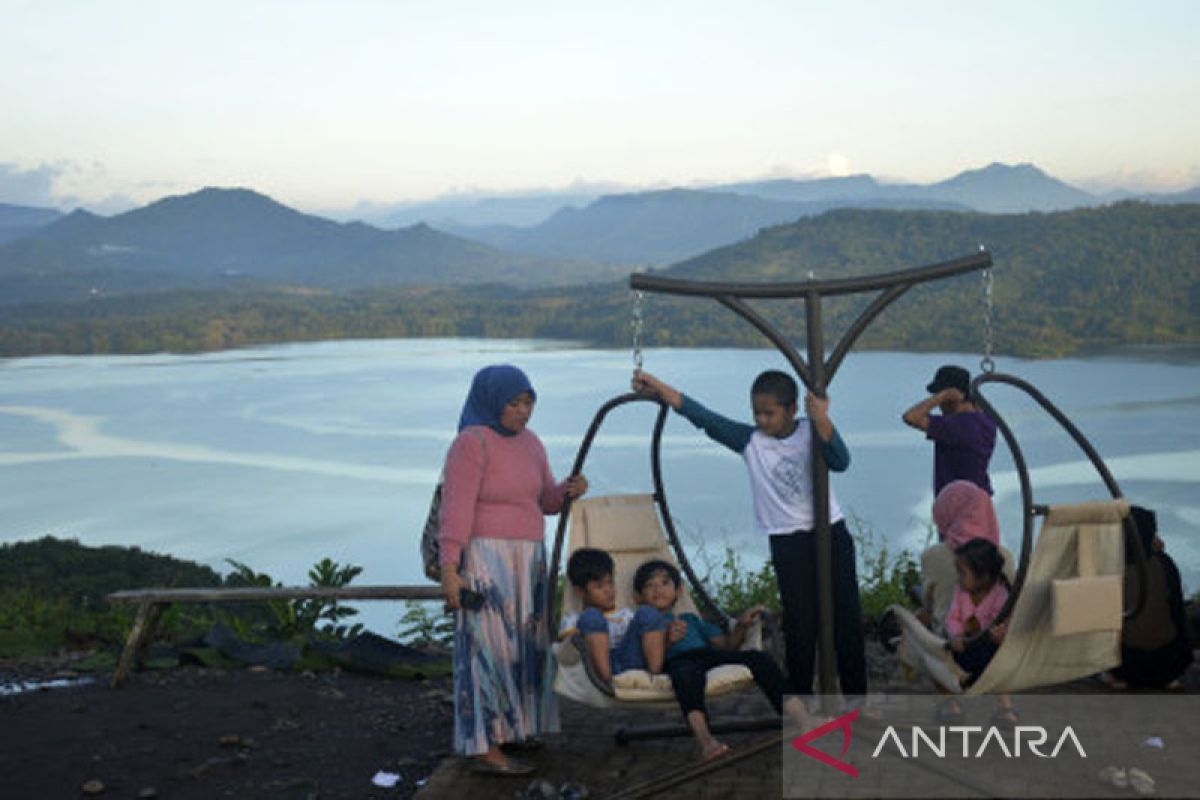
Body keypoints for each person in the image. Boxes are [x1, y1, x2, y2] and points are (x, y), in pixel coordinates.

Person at [631, 369, 868, 709]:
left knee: (845, 619)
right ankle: (801, 705)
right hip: (788, 542)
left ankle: (857, 701)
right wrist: (658, 387)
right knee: (801, 625)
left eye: (768, 412)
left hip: (831, 534)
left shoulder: (810, 430)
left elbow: (840, 460)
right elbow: (702, 416)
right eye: (755, 411)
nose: (760, 419)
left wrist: (822, 419)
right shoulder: (750, 441)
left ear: (789, 409)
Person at [438, 364, 589, 775]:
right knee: (487, 653)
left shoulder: (531, 443)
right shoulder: (471, 443)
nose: (523, 412)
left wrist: (567, 490)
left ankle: (517, 728)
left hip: (528, 562)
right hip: (487, 561)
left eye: (528, 403)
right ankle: (483, 746)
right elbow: (455, 511)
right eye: (514, 403)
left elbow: (544, 501)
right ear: (492, 401)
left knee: (526, 649)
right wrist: (450, 569)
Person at [634, 559, 824, 761]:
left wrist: (741, 626)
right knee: (686, 677)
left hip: (707, 655)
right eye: (649, 585)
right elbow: (650, 660)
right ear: (639, 597)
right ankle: (706, 741)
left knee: (758, 658)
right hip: (678, 661)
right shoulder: (644, 623)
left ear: (679, 591)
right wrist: (668, 642)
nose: (658, 589)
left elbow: (726, 646)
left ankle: (804, 719)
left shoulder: (691, 619)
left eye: (665, 583)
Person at [1106, 505, 1194, 690]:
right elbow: (1177, 613)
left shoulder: (1111, 570)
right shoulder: (1165, 563)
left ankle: (1116, 677)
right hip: (1170, 664)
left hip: (1128, 667)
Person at [558, 547, 667, 683]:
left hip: (631, 661)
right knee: (591, 616)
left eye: (610, 582)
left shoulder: (627, 615)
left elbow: (649, 636)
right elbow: (568, 649)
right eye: (599, 586)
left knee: (648, 612)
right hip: (597, 667)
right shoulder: (573, 619)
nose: (608, 590)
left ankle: (655, 679)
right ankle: (608, 682)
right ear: (580, 591)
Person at [919, 480, 1014, 634]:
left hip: (951, 642)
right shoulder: (1005, 556)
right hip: (1001, 640)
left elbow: (928, 602)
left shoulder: (932, 556)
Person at [939, 537, 1016, 725]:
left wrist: (1000, 636)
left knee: (999, 671)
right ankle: (952, 707)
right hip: (964, 647)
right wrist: (956, 635)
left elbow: (1003, 624)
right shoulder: (961, 591)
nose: (958, 578)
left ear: (983, 577)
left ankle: (1006, 709)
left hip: (989, 651)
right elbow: (953, 618)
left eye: (962, 573)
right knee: (937, 658)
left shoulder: (1000, 594)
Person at [901, 365, 997, 496]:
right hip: (980, 499)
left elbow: (910, 417)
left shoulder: (955, 426)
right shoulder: (986, 420)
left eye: (940, 396)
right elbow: (977, 405)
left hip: (959, 504)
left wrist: (942, 396)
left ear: (950, 398)